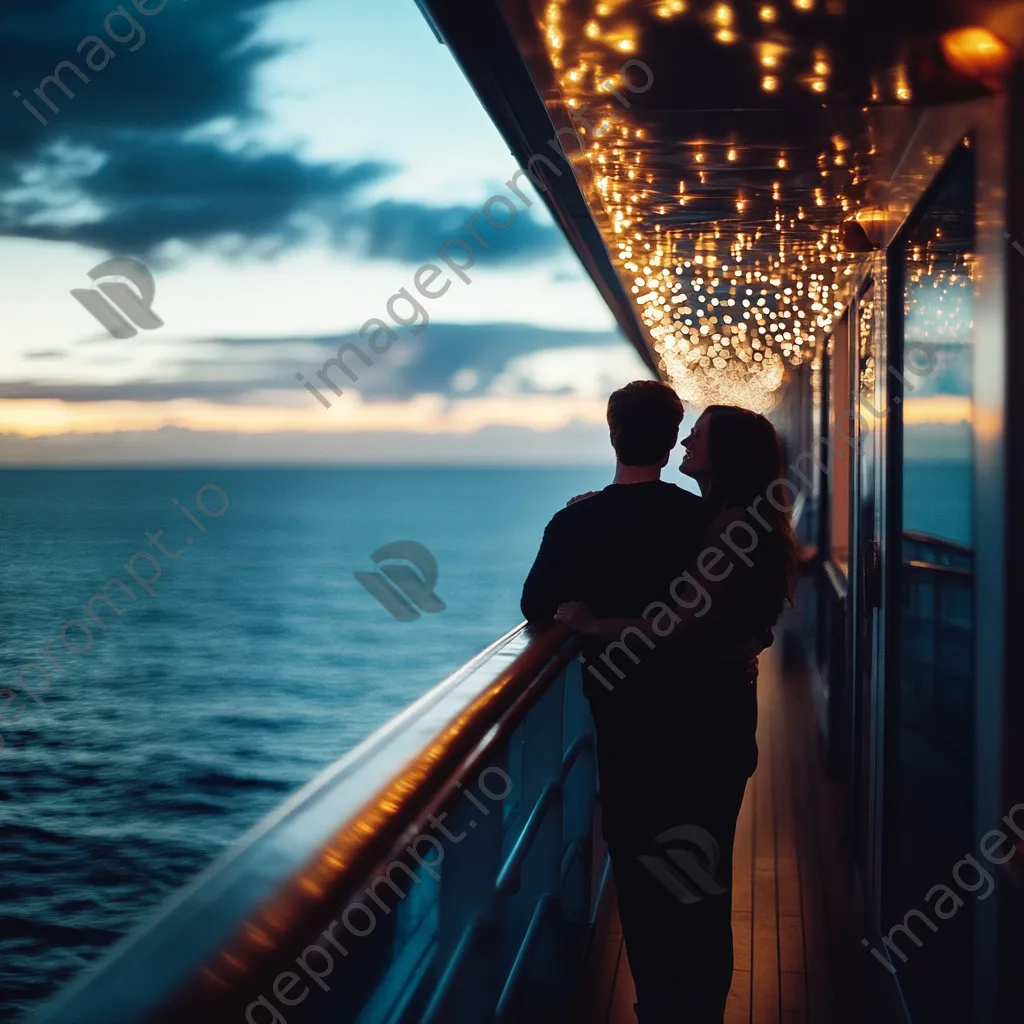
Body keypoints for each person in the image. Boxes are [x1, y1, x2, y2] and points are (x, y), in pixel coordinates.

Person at [521, 393, 796, 1023]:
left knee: (646, 884)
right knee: (702, 881)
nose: (685, 448)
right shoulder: (705, 518)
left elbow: (672, 620)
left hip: (642, 734)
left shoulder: (719, 524)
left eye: (696, 438)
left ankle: (664, 1010)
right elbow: (746, 620)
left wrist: (592, 621)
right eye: (684, 434)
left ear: (613, 433)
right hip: (712, 730)